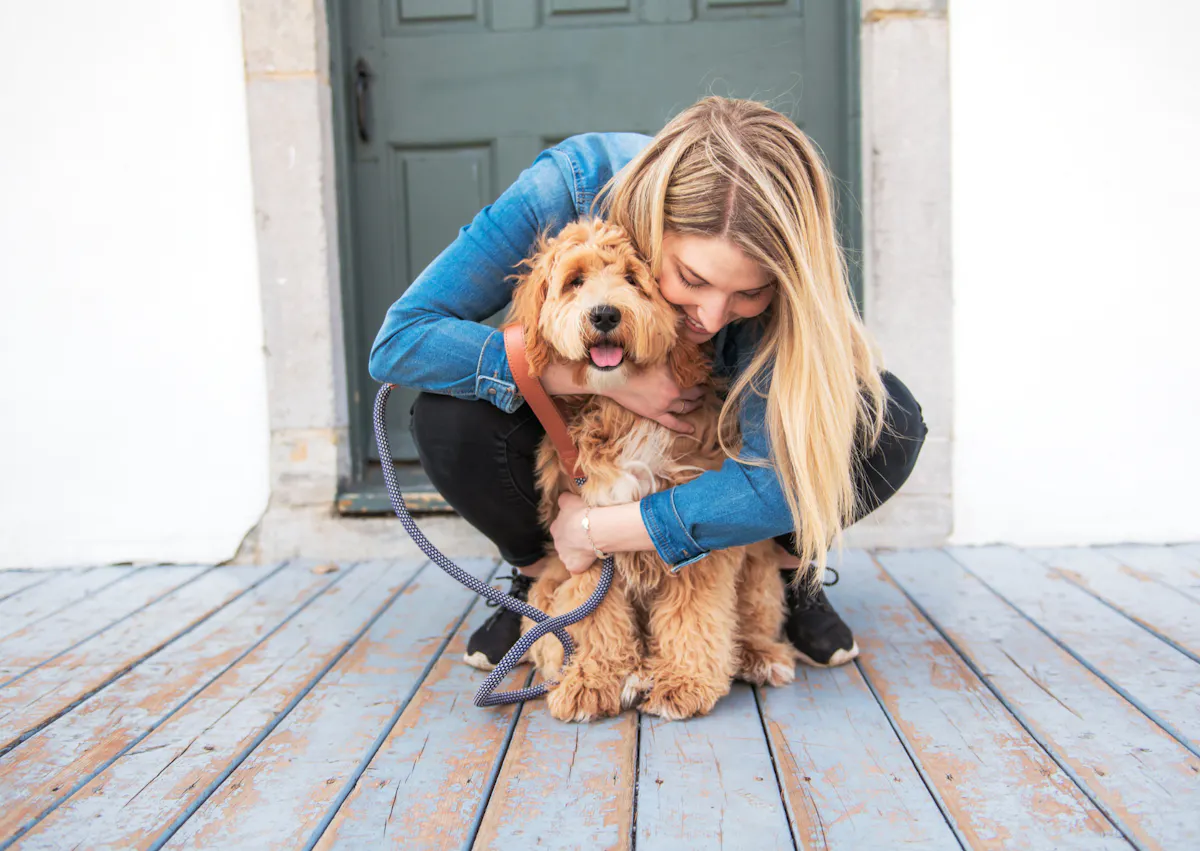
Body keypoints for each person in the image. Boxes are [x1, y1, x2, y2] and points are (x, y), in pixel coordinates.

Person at [368, 96, 927, 673]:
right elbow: (401, 341)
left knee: (884, 421)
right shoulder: (566, 187)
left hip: (707, 449)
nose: (712, 317)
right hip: (584, 429)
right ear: (653, 224)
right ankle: (544, 576)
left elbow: (772, 483)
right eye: (692, 278)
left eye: (748, 293)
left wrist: (595, 528)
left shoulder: (782, 290)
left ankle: (786, 573)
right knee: (447, 419)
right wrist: (601, 380)